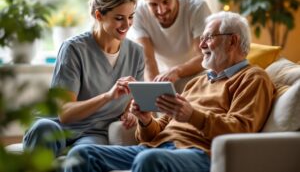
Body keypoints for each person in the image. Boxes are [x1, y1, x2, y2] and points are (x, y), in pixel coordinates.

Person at [64, 11, 276, 172]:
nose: (201, 44)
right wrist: (146, 120)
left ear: (233, 41)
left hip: (201, 154)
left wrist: (192, 116)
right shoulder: (197, 82)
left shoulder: (253, 78)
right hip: (157, 147)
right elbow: (158, 129)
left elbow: (242, 130)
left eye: (208, 37)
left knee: (148, 160)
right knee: (81, 155)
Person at [23, 0, 144, 157]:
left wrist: (131, 113)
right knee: (44, 129)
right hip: (56, 125)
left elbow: (131, 101)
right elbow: (65, 113)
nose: (127, 25)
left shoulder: (136, 54)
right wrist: (108, 96)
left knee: (83, 155)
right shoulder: (73, 49)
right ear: (99, 15)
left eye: (131, 16)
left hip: (93, 133)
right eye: (119, 18)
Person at [127, 0, 211, 92]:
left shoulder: (197, 7)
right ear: (144, 0)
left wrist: (176, 71)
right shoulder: (138, 12)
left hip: (196, 74)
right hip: (160, 77)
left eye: (166, 1)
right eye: (153, 5)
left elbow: (204, 56)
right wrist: (156, 92)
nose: (161, 10)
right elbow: (148, 60)